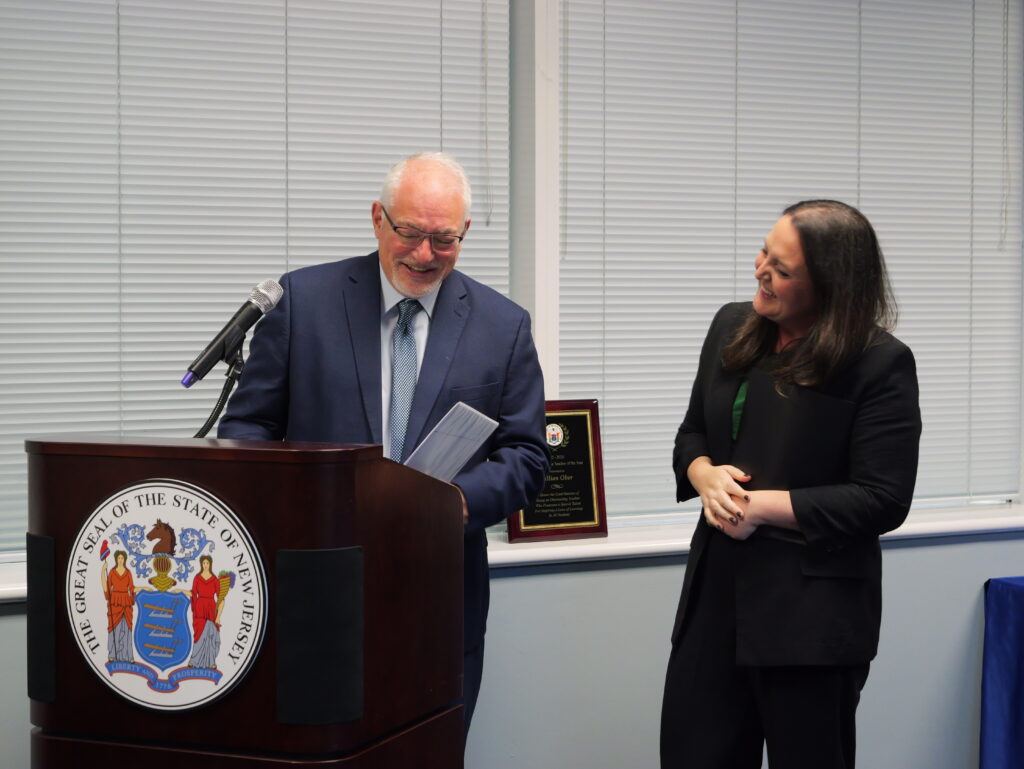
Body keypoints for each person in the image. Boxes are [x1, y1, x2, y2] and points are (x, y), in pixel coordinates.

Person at [217, 151, 549, 737]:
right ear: (378, 218)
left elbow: (526, 457)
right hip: (315, 589)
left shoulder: (504, 326)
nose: (424, 255)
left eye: (443, 239)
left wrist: (452, 504)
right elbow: (246, 432)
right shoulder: (302, 302)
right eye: (411, 233)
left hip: (439, 592)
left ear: (465, 233)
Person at [660, 200, 921, 769]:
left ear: (831, 285)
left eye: (781, 269)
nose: (760, 271)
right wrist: (703, 475)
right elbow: (692, 435)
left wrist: (762, 507)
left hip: (812, 621)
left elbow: (883, 498)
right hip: (715, 605)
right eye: (763, 253)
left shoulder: (879, 364)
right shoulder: (732, 324)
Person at [101, 550, 136, 662]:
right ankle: (112, 655)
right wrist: (103, 571)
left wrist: (133, 598)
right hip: (115, 602)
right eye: (119, 558)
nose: (120, 560)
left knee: (127, 630)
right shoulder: (111, 572)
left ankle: (128, 656)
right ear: (116, 559)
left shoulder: (128, 573)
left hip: (126, 603)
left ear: (124, 559)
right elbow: (106, 587)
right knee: (114, 629)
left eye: (122, 558)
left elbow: (132, 588)